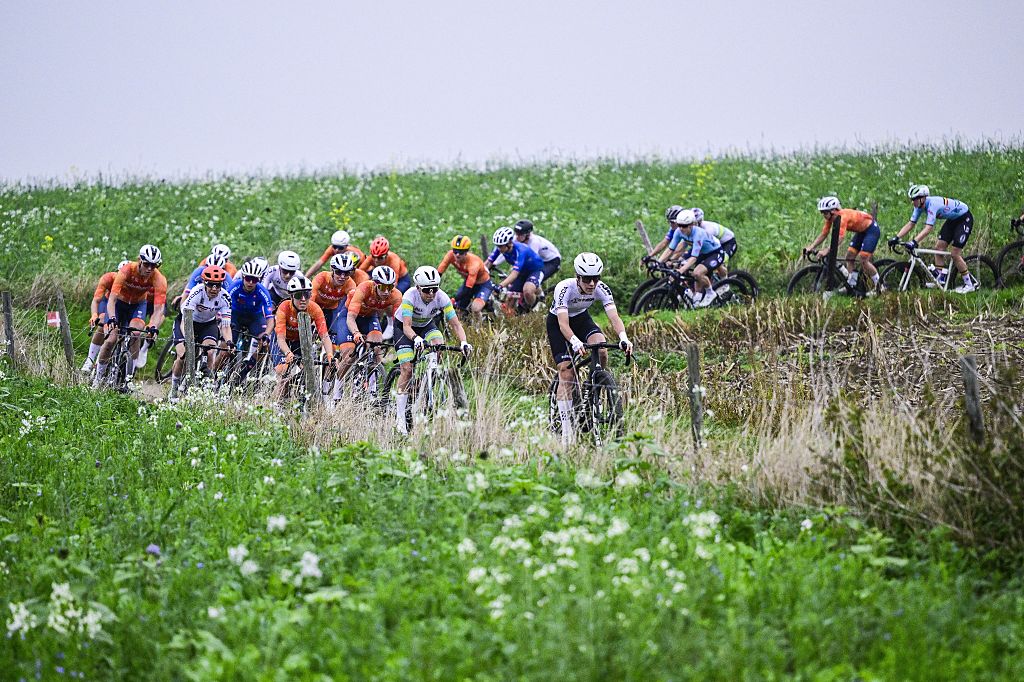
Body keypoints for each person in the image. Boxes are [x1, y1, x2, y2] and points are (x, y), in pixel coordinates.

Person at [547, 253, 632, 446]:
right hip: (560, 323)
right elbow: (563, 324)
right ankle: (567, 433)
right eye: (587, 279)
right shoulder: (564, 288)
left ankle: (597, 383)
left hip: (582, 320)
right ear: (578, 277)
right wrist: (575, 341)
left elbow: (614, 317)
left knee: (601, 348)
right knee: (566, 372)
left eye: (596, 278)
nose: (592, 283)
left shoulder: (601, 288)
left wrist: (623, 338)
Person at [393, 266, 473, 434]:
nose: (431, 293)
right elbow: (407, 326)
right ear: (417, 287)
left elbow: (456, 324)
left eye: (434, 289)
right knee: (407, 369)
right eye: (427, 290)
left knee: (438, 344)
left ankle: (427, 380)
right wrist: (415, 339)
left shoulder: (442, 298)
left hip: (426, 325)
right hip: (405, 329)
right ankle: (400, 418)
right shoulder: (409, 296)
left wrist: (464, 342)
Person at [92, 245, 168, 388]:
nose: (150, 269)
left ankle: (128, 378)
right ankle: (98, 378)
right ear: (140, 260)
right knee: (111, 340)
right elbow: (112, 300)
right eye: (147, 264)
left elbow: (158, 309)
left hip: (137, 306)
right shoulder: (127, 270)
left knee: (136, 333)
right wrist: (113, 318)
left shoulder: (159, 279)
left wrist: (153, 326)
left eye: (154, 265)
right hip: (118, 304)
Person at [888, 184, 977, 293]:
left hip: (964, 218)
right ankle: (940, 280)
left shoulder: (932, 205)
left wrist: (914, 242)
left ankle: (969, 284)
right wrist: (896, 237)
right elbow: (911, 224)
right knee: (938, 249)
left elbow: (928, 228)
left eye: (915, 199)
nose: (913, 202)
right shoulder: (919, 206)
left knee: (955, 254)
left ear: (923, 198)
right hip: (952, 220)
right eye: (912, 199)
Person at [168, 265, 234, 400]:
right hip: (187, 321)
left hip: (207, 324)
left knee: (210, 351)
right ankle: (174, 389)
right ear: (204, 283)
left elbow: (226, 326)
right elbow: (185, 320)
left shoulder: (225, 297)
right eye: (210, 285)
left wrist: (229, 342)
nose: (214, 289)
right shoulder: (196, 292)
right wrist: (188, 339)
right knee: (183, 355)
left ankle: (207, 388)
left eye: (218, 285)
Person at [272, 274, 336, 403]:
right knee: (283, 372)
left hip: (302, 342)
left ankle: (307, 403)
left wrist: (330, 355)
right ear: (291, 296)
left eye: (306, 295)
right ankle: (276, 404)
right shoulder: (284, 307)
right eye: (297, 295)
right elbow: (280, 338)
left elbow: (324, 336)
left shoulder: (314, 309)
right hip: (284, 342)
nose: (302, 299)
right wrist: (288, 353)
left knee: (309, 371)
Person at [804, 197, 882, 292]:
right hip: (861, 232)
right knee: (849, 256)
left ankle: (880, 286)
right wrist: (811, 247)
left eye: (825, 212)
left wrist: (826, 250)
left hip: (871, 230)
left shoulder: (842, 218)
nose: (823, 215)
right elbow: (824, 234)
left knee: (863, 259)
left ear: (833, 211)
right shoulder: (831, 218)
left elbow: (840, 238)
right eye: (822, 212)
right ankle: (852, 284)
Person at [311, 253, 360, 403]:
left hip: (332, 311)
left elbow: (352, 306)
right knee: (311, 330)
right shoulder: (321, 278)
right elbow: (310, 300)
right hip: (315, 307)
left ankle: (326, 387)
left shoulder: (350, 284)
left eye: (347, 273)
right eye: (339, 272)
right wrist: (312, 321)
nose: (342, 276)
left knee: (331, 348)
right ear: (332, 270)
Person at [338, 266, 403, 378]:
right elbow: (351, 318)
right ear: (375, 284)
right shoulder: (364, 288)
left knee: (377, 348)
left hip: (370, 318)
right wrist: (356, 333)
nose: (387, 291)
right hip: (349, 316)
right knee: (349, 355)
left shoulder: (396, 295)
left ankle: (372, 387)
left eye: (390, 287)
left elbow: (399, 322)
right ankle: (336, 390)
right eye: (382, 287)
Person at [666, 209, 723, 307]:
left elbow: (694, 257)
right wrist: (659, 262)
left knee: (697, 272)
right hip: (703, 253)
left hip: (715, 252)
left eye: (684, 226)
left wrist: (681, 271)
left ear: (691, 225)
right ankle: (697, 297)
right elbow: (670, 249)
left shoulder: (698, 233)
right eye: (679, 225)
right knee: (688, 270)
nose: (681, 228)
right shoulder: (678, 231)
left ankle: (710, 293)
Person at [82, 259, 130, 372]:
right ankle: (90, 360)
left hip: (124, 307)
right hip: (108, 302)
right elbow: (96, 300)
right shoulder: (109, 279)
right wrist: (94, 315)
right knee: (103, 320)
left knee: (125, 333)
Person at [485, 226, 545, 313]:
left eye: (501, 246)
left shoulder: (521, 250)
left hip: (535, 270)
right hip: (522, 272)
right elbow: (487, 263)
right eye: (497, 246)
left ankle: (536, 308)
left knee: (527, 291)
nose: (499, 248)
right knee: (510, 298)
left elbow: (514, 274)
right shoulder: (500, 248)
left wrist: (500, 286)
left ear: (509, 244)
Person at [437, 235, 494, 313]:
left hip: (483, 285)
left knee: (475, 309)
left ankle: (482, 314)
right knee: (458, 308)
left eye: (461, 252)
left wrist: (453, 299)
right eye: (455, 251)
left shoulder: (474, 264)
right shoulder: (450, 255)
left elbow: (467, 289)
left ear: (466, 252)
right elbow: (438, 273)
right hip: (469, 282)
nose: (457, 254)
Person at [228, 258, 275, 347]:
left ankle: (253, 360)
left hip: (254, 317)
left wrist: (266, 334)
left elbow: (270, 318)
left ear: (259, 280)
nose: (250, 283)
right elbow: (223, 305)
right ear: (243, 277)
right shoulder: (234, 287)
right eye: (248, 278)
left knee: (264, 343)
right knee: (225, 347)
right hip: (235, 315)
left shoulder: (263, 291)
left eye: (254, 280)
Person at [691, 208, 738, 280]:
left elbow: (701, 248)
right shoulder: (694, 230)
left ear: (699, 221)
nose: (692, 226)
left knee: (720, 262)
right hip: (715, 245)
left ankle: (725, 282)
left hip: (728, 243)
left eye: (694, 223)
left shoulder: (708, 229)